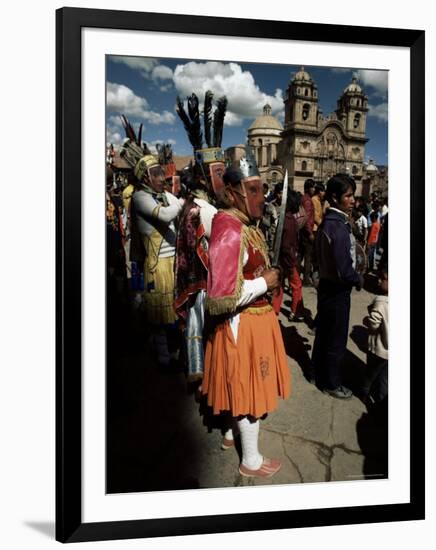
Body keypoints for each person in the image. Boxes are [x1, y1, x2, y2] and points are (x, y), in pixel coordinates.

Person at [202, 147, 291, 478]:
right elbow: (223, 295)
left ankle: (229, 434)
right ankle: (250, 459)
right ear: (234, 193)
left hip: (255, 319)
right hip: (243, 321)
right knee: (248, 389)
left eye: (261, 189)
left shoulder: (243, 222)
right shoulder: (229, 229)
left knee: (236, 383)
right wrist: (265, 283)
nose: (261, 197)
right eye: (253, 190)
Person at [174, 90, 226, 383]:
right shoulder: (207, 210)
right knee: (203, 324)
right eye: (217, 176)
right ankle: (205, 371)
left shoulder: (187, 204)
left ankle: (194, 366)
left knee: (193, 321)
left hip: (188, 276)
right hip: (204, 278)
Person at [122, 142, 183, 367]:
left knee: (169, 313)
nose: (161, 178)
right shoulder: (140, 197)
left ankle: (165, 353)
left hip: (171, 262)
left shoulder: (159, 195)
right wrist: (181, 201)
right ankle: (164, 359)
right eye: (155, 174)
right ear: (145, 179)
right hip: (158, 265)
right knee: (159, 317)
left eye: (160, 173)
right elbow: (167, 215)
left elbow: (174, 204)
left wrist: (172, 197)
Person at [311, 173, 362, 399]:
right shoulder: (338, 227)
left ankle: (316, 372)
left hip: (326, 287)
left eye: (353, 196)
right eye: (348, 196)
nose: (353, 200)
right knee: (337, 339)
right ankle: (331, 382)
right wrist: (357, 279)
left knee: (323, 333)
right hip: (338, 290)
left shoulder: (328, 223)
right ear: (335, 197)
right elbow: (343, 269)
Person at [362, 268, 388, 405]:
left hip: (377, 349)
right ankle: (381, 402)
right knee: (384, 378)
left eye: (383, 278)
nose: (378, 280)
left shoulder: (381, 302)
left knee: (370, 374)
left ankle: (364, 393)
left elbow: (373, 323)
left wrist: (366, 320)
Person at [280, 190, 305, 322]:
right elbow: (287, 245)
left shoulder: (286, 218)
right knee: (296, 286)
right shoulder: (290, 221)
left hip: (284, 259)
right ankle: (294, 312)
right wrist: (292, 262)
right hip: (289, 260)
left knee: (280, 287)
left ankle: (275, 310)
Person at [301, 178, 316, 285]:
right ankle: (306, 279)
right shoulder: (307, 200)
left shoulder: (304, 198)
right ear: (308, 188)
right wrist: (310, 233)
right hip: (306, 232)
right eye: (313, 187)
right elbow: (306, 218)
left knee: (300, 256)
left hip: (303, 231)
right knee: (308, 256)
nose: (314, 189)